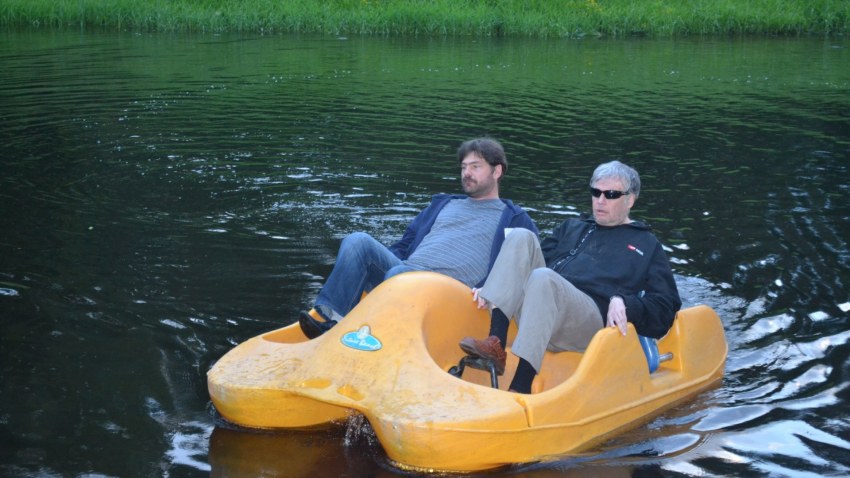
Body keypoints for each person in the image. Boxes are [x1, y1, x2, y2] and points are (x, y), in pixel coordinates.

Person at [458, 160, 681, 394]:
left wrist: (626, 303)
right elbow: (523, 263)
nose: (600, 200)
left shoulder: (646, 244)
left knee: (544, 277)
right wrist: (490, 286)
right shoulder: (573, 226)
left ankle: (520, 387)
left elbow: (666, 306)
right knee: (520, 236)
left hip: (588, 321)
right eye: (595, 192)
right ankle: (496, 343)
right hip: (540, 308)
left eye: (611, 194)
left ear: (630, 199)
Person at [299, 137, 539, 338]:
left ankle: (375, 334)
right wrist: (368, 270)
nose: (466, 173)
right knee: (357, 241)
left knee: (398, 275)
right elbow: (404, 244)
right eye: (464, 167)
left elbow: (524, 265)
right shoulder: (443, 204)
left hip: (454, 292)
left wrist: (491, 287)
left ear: (497, 171)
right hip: (408, 272)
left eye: (475, 167)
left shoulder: (514, 218)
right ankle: (333, 322)